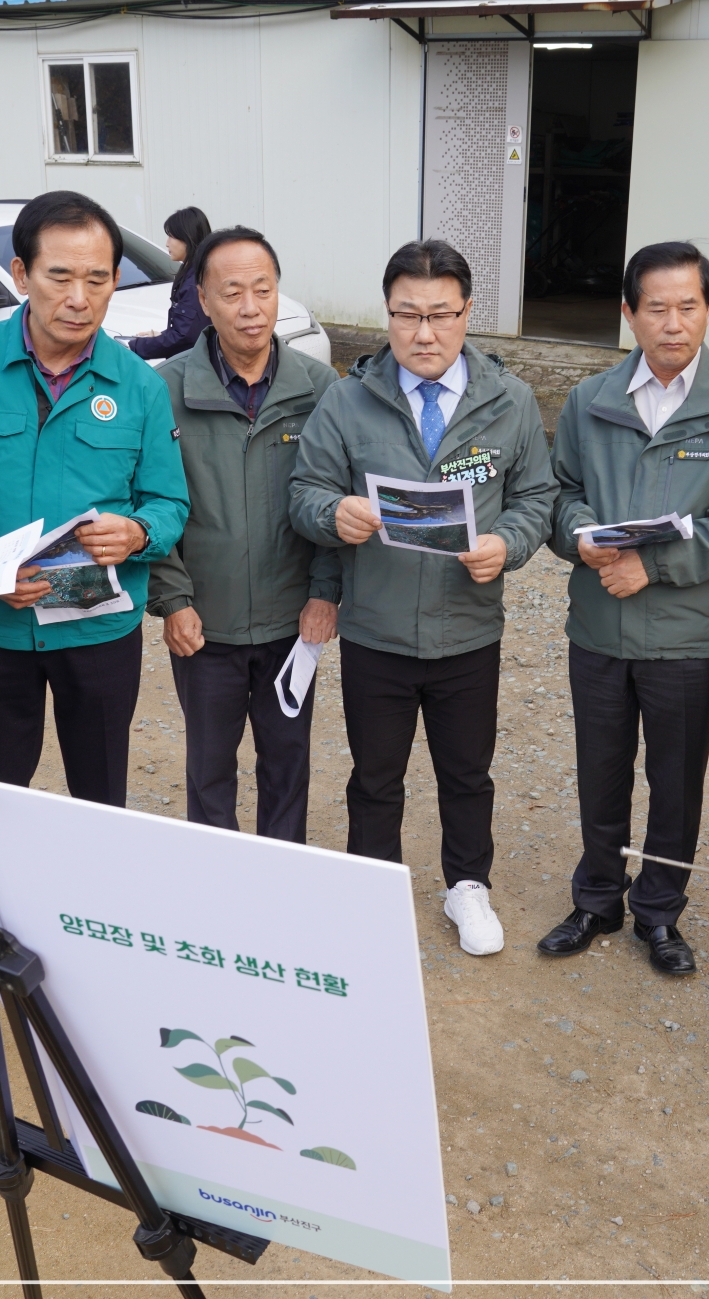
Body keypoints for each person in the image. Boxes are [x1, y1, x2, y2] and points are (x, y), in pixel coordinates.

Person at [290, 238, 557, 956]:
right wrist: (332, 513)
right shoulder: (349, 400)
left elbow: (537, 495)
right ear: (388, 315)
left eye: (441, 313)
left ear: (468, 313)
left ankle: (468, 885)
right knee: (375, 774)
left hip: (468, 630)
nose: (424, 332)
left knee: (466, 770)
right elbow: (305, 490)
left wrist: (509, 543)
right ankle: (372, 888)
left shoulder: (510, 402)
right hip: (376, 629)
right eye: (407, 314)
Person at [535, 241, 709, 974]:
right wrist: (577, 536)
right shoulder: (590, 399)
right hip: (601, 625)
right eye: (656, 308)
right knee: (601, 769)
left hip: (687, 634)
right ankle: (597, 897)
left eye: (689, 306)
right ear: (629, 314)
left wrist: (654, 565)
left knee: (676, 779)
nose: (673, 323)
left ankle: (660, 912)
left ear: (708, 308)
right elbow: (559, 494)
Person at [0, 190, 190, 806]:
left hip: (98, 633)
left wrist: (137, 533)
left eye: (97, 279)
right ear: (21, 274)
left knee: (99, 797)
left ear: (115, 280)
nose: (79, 298)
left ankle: (92, 901)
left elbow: (168, 503)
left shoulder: (139, 385)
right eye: (59, 276)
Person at [149, 225, 340, 840]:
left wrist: (325, 591)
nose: (251, 308)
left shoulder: (318, 388)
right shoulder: (166, 390)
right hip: (206, 627)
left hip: (292, 623)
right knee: (210, 767)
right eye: (232, 292)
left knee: (288, 761)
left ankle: (281, 880)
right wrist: (174, 601)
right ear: (202, 299)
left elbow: (336, 500)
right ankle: (218, 883)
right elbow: (147, 502)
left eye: (264, 289)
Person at [128, 205, 212, 362]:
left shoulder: (195, 282)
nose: (167, 243)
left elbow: (185, 337)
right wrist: (160, 336)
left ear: (188, 238)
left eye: (172, 236)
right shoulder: (192, 272)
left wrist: (135, 347)